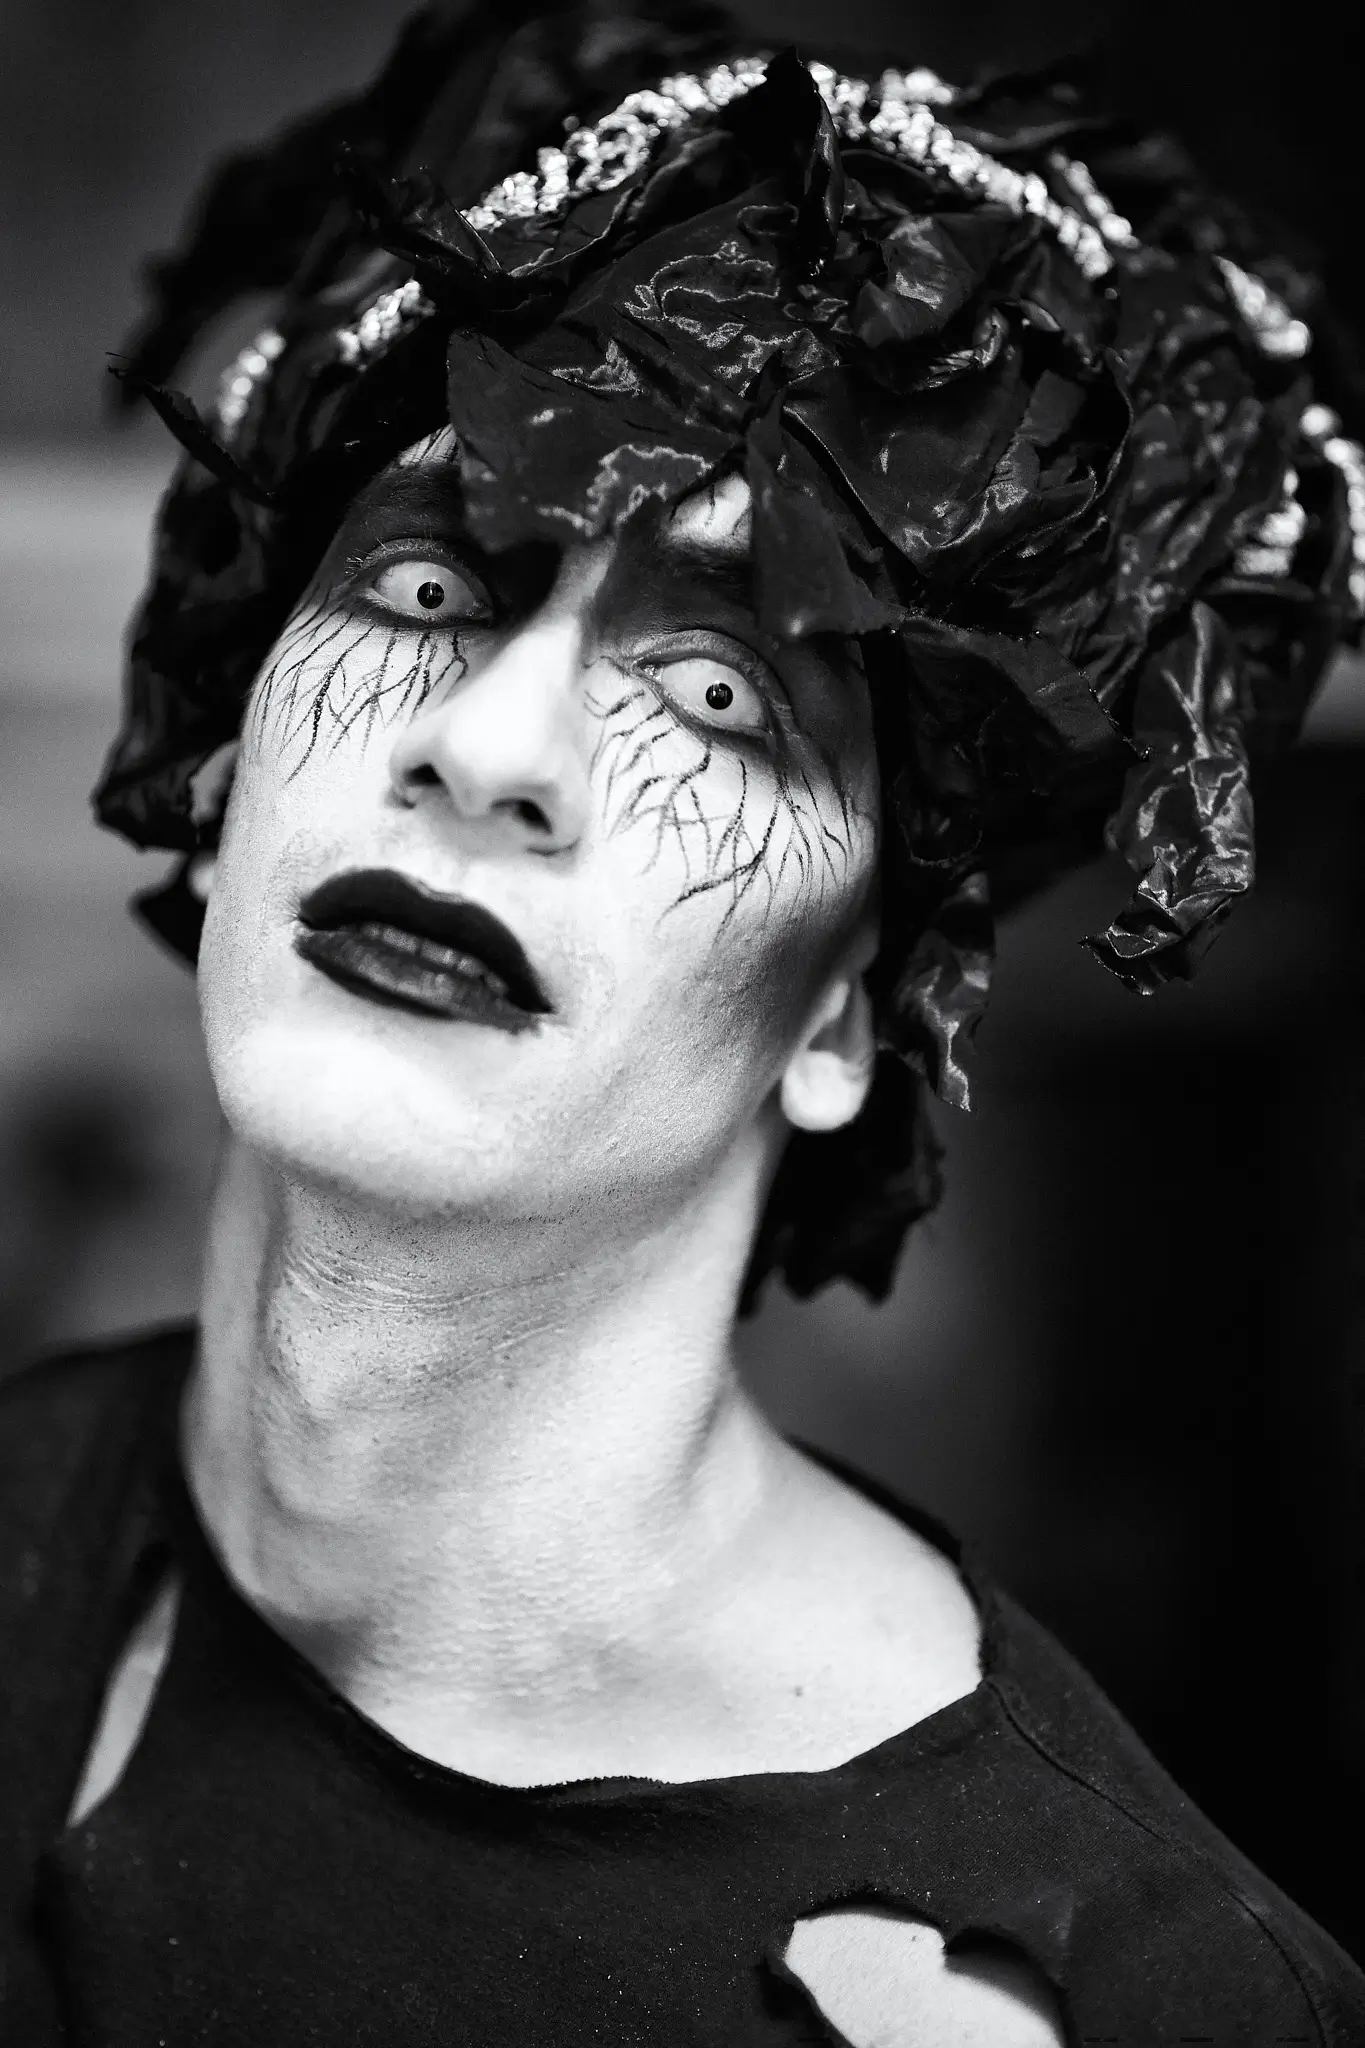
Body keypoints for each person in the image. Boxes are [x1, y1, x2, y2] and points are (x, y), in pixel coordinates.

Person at [3, 3, 1364, 2041]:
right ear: (225, 760)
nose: (495, 747)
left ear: (842, 1013)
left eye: (722, 694)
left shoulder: (1067, 1997)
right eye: (434, 590)